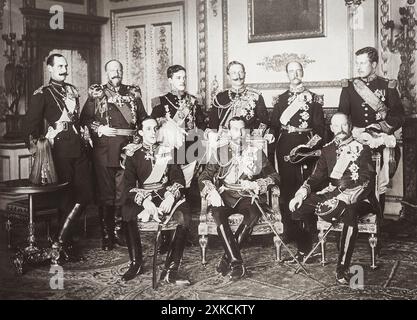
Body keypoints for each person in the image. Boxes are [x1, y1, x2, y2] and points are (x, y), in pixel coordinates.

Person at [288, 113, 375, 284]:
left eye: (344, 125)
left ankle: (342, 269)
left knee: (350, 213)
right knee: (297, 208)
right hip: (334, 194)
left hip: (359, 197)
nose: (341, 129)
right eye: (337, 126)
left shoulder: (362, 148)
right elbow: (315, 178)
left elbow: (367, 179)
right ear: (332, 128)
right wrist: (301, 193)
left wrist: (351, 196)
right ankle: (305, 249)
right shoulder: (327, 149)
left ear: (350, 126)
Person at [23, 53, 94, 261]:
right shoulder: (42, 93)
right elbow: (29, 127)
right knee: (66, 198)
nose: (64, 69)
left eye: (65, 65)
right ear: (50, 69)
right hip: (59, 151)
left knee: (85, 194)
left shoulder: (72, 90)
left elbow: (78, 120)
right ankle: (63, 244)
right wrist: (43, 143)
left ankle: (60, 239)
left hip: (79, 149)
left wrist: (86, 134)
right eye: (59, 66)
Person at [198, 116, 279, 280]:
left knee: (253, 214)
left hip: (246, 195)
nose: (240, 133)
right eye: (235, 129)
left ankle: (228, 258)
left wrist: (259, 184)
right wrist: (212, 191)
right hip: (224, 194)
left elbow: (275, 176)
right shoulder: (219, 151)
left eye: (243, 129)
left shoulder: (256, 151)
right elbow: (204, 176)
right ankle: (236, 263)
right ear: (229, 132)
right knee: (218, 215)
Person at [81, 59, 147, 250]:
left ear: (122, 71)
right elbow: (85, 119)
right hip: (104, 148)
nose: (115, 72)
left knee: (124, 192)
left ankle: (121, 231)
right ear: (106, 73)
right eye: (111, 70)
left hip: (128, 149)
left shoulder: (133, 92)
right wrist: (99, 127)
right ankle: (107, 235)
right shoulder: (97, 92)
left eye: (118, 69)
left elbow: (142, 118)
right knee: (106, 193)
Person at [120, 117, 191, 285]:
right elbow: (128, 186)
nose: (153, 132)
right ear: (141, 132)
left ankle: (171, 270)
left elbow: (178, 179)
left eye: (155, 128)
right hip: (144, 195)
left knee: (185, 215)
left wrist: (171, 196)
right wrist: (144, 202)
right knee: (126, 211)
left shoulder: (167, 150)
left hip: (165, 194)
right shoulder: (132, 154)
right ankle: (136, 263)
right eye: (149, 129)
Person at [338, 46, 404, 213]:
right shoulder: (349, 87)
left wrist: (378, 130)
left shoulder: (387, 85)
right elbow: (342, 116)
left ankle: (377, 220)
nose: (358, 67)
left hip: (378, 142)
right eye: (357, 63)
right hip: (356, 142)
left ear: (374, 65)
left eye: (363, 63)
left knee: (377, 183)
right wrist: (350, 134)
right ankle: (354, 220)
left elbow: (397, 116)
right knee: (354, 181)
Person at [270, 61, 325, 244]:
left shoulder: (314, 99)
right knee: (286, 187)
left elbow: (320, 129)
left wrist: (309, 148)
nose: (295, 74)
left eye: (298, 71)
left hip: (307, 147)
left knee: (306, 186)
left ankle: (308, 229)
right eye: (291, 71)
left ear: (303, 72)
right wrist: (270, 136)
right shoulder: (280, 99)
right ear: (287, 75)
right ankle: (289, 230)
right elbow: (274, 127)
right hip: (285, 147)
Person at [151, 64, 206, 194]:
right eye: (178, 77)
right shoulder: (160, 101)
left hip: (191, 146)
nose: (182, 80)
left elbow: (202, 123)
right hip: (171, 148)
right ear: (170, 80)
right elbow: (152, 125)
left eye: (184, 77)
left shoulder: (193, 101)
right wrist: (164, 123)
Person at [208, 61, 274, 143]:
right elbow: (213, 124)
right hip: (224, 141)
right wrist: (215, 137)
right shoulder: (220, 97)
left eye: (240, 72)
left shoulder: (256, 96)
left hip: (248, 141)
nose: (238, 76)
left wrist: (254, 138)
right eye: (234, 73)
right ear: (228, 76)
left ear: (245, 74)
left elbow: (264, 122)